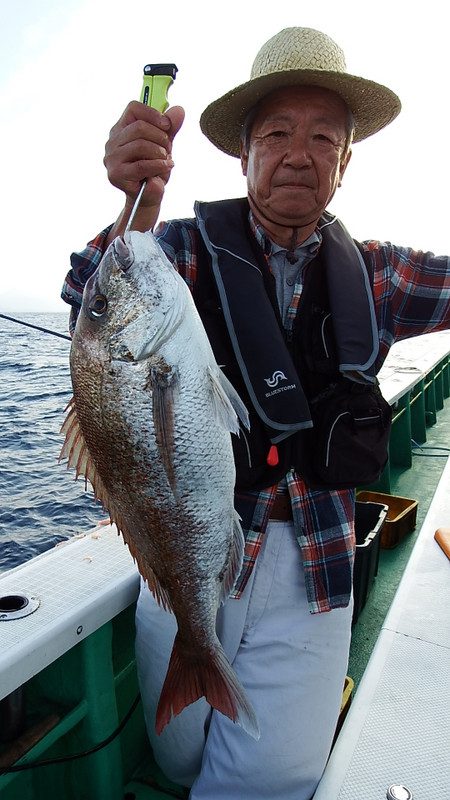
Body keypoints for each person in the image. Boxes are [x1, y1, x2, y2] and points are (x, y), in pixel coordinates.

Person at [61, 27, 450, 800]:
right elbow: (88, 289)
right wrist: (133, 209)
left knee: (266, 779)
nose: (298, 154)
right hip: (183, 550)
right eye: (276, 134)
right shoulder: (176, 252)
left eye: (323, 138)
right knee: (178, 758)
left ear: (344, 162)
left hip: (316, 563)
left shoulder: (379, 273)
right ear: (243, 156)